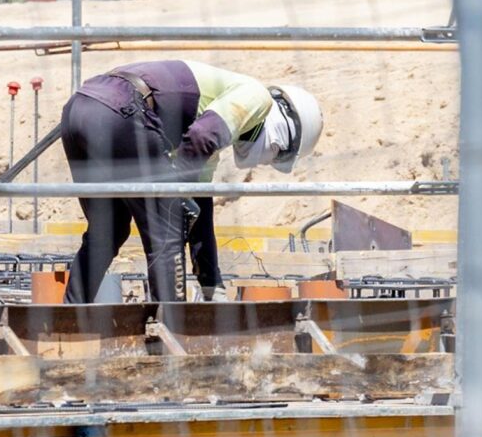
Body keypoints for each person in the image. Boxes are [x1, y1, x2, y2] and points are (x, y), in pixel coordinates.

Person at [59, 60, 323, 304]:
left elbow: (200, 207)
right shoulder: (256, 96)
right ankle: (170, 328)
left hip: (81, 111)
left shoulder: (209, 126)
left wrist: (212, 284)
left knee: (109, 230)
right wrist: (176, 199)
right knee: (168, 232)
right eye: (279, 155)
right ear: (284, 134)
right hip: (122, 111)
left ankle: (68, 321)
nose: (266, 162)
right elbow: (201, 137)